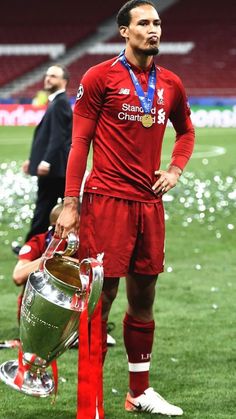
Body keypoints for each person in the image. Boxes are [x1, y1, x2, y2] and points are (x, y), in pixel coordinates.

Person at [55, 0, 195, 416]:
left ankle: (139, 393)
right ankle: (89, 400)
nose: (154, 30)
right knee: (102, 295)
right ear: (123, 31)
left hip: (148, 205)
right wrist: (69, 202)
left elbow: (186, 131)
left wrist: (174, 169)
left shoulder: (171, 82)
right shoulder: (99, 77)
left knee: (144, 295)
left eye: (157, 23)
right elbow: (80, 142)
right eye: (144, 23)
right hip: (107, 200)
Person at [20, 64, 72, 244]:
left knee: (43, 211)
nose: (47, 78)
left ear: (63, 81)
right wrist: (32, 161)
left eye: (53, 76)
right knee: (49, 209)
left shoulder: (61, 103)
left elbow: (59, 137)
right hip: (56, 169)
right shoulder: (57, 102)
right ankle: (41, 245)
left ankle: (31, 246)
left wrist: (46, 162)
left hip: (53, 169)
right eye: (47, 75)